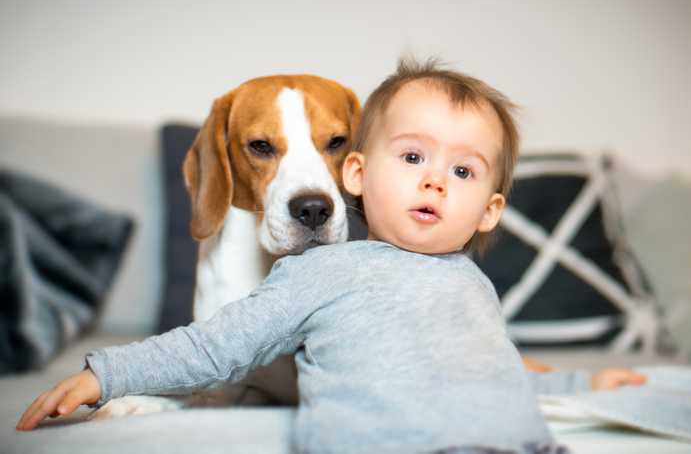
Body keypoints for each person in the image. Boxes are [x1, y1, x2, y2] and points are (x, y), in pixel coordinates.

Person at [18, 57, 646, 453]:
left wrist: (574, 384)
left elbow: (481, 359)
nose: (309, 192)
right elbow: (218, 355)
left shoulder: (423, 269)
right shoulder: (290, 281)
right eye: (263, 147)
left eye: (332, 142)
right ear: (228, 159)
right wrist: (119, 378)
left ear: (354, 165)